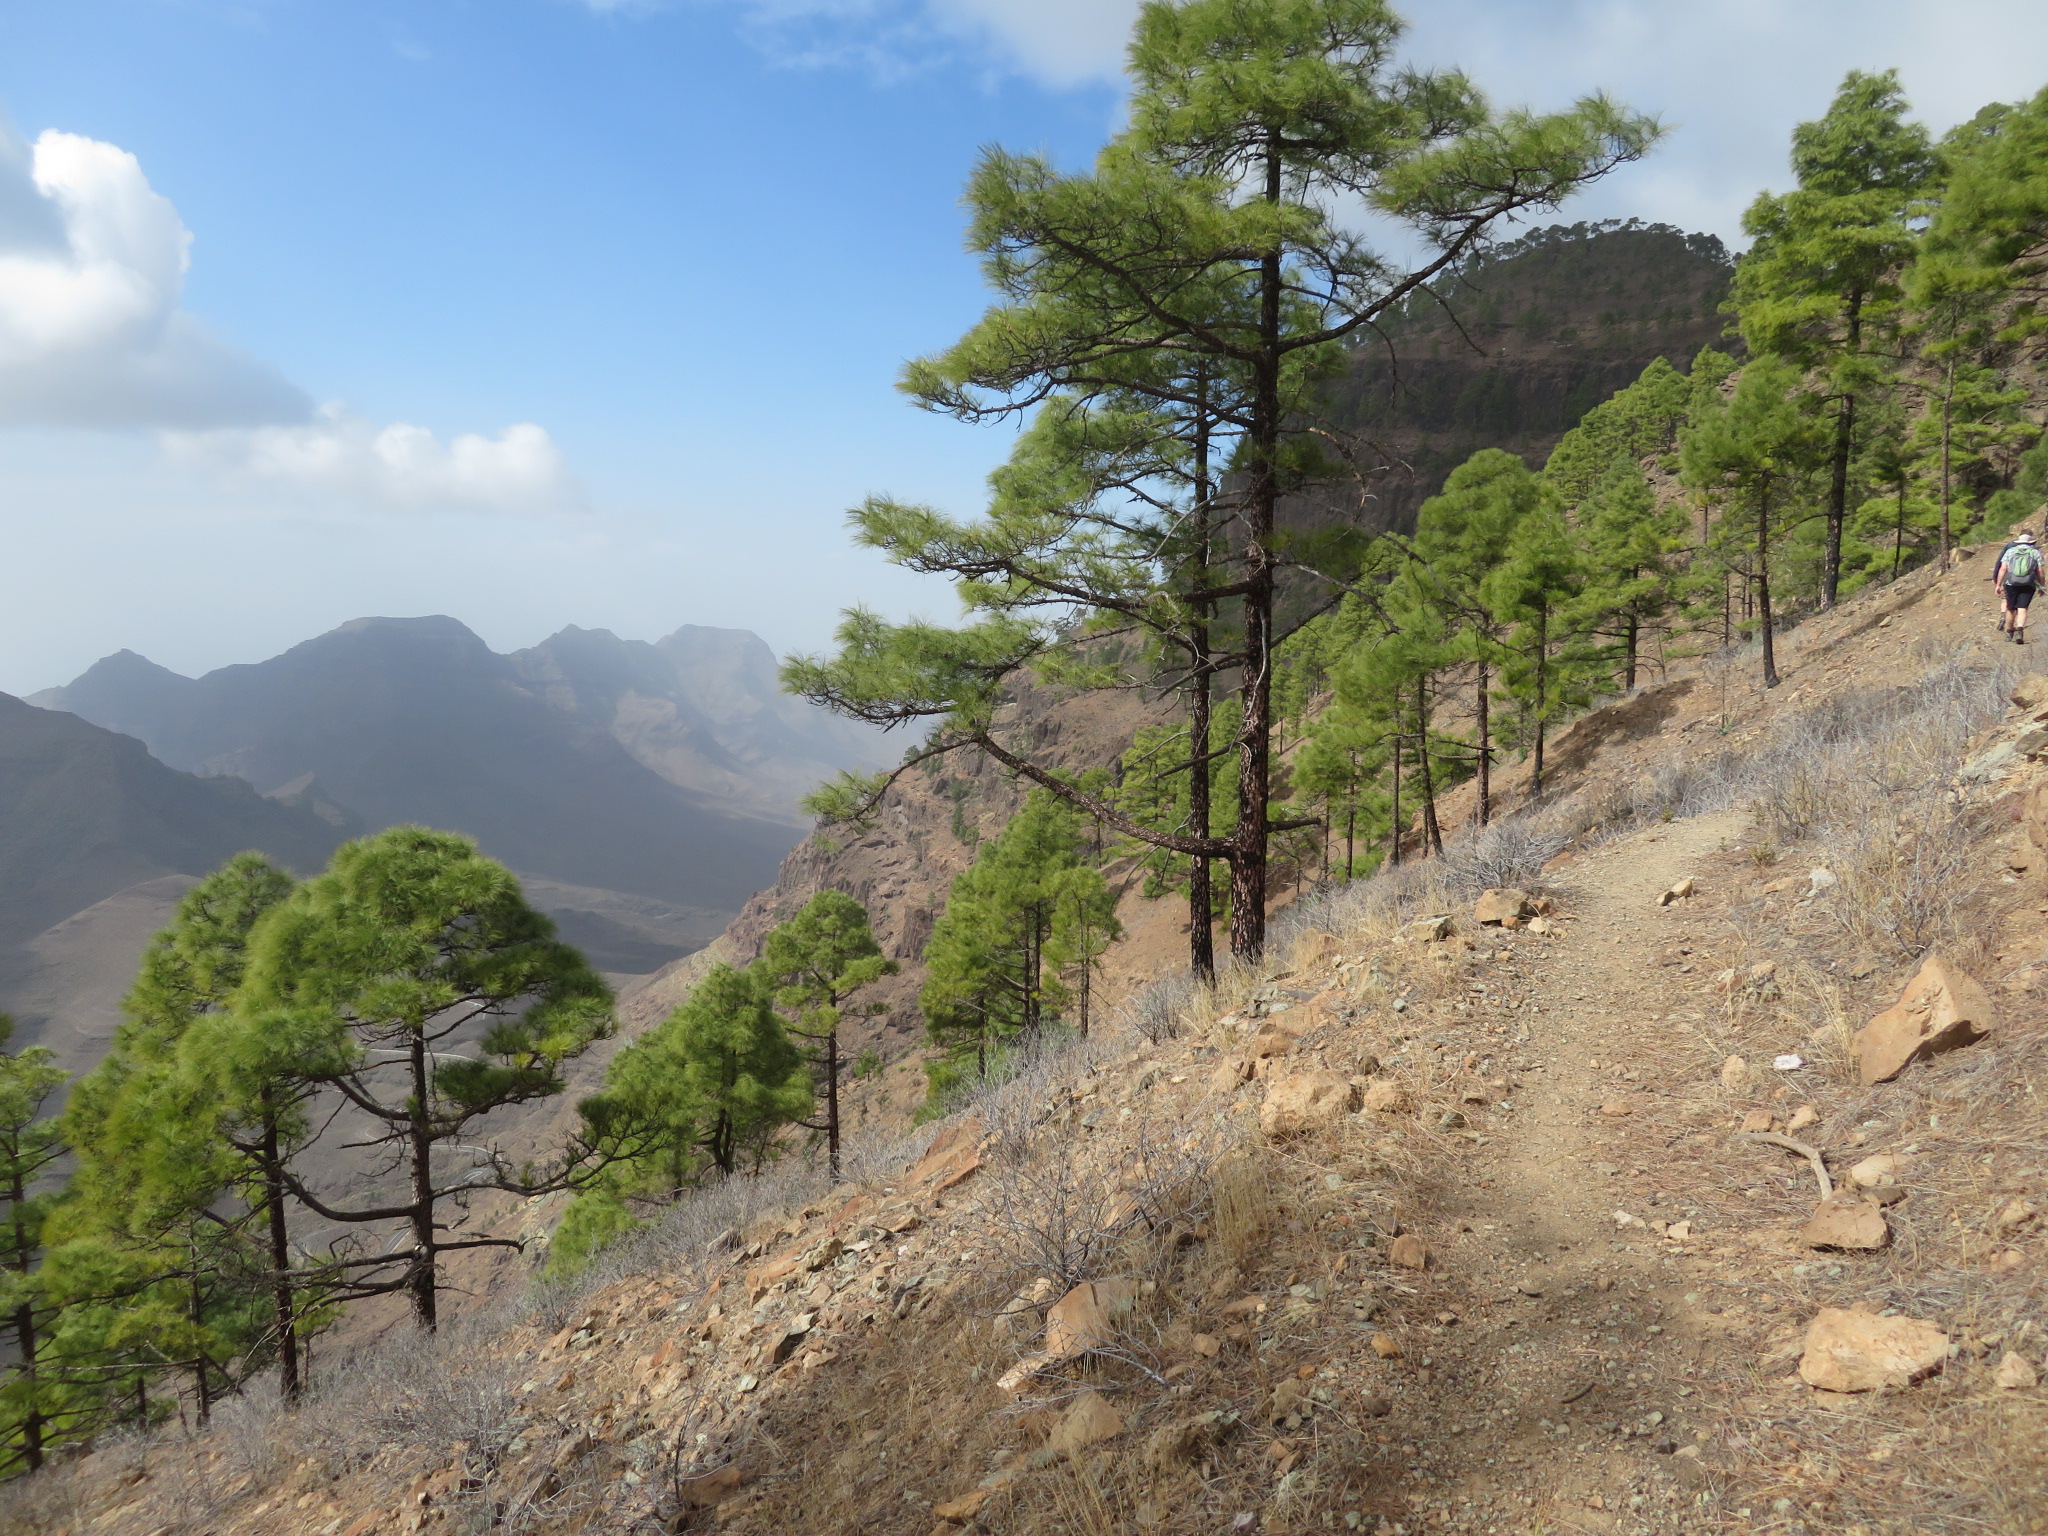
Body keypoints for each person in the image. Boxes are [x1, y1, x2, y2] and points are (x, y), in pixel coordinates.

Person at [1997, 530, 2042, 644]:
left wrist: (1998, 584)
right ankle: (2020, 630)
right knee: (2022, 608)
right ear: (2030, 542)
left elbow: (2003, 569)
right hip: (2028, 584)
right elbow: (2040, 571)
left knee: (2011, 609)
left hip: (2011, 584)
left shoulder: (2010, 551)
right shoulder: (2035, 552)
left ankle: (2009, 633)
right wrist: (2042, 585)